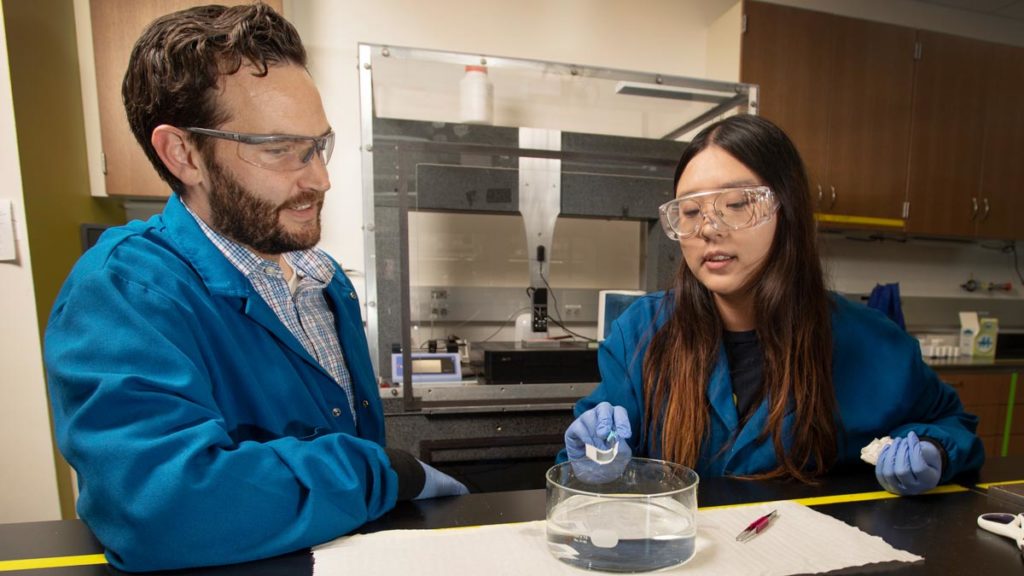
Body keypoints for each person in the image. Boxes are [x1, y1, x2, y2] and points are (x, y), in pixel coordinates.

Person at [45, 4, 466, 572]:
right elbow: (163, 509)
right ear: (183, 154)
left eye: (319, 145)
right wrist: (378, 472)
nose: (319, 178)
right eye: (278, 149)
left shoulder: (325, 281)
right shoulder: (124, 290)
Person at [563, 114, 984, 493]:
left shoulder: (870, 341)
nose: (709, 229)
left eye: (737, 205)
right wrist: (590, 463)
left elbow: (952, 425)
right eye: (690, 212)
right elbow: (594, 452)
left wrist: (933, 451)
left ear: (788, 208)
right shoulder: (642, 332)